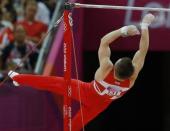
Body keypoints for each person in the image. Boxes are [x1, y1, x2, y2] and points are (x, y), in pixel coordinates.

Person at [8, 13, 155, 130]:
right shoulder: (131, 79)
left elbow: (104, 41)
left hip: (85, 92)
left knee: (52, 83)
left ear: (115, 66)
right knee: (73, 128)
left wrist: (125, 31)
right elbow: (143, 50)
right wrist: (145, 26)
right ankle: (19, 79)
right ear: (131, 71)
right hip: (99, 106)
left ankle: (19, 79)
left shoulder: (106, 69)